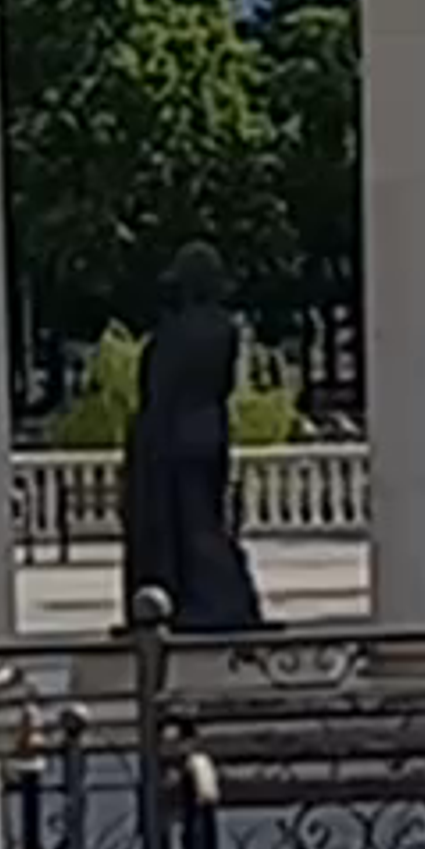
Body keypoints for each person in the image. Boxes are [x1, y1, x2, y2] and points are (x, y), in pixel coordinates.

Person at [120, 247, 263, 633]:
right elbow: (224, 386)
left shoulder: (173, 333)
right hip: (209, 433)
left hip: (169, 437)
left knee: (178, 525)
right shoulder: (225, 329)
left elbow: (157, 388)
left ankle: (197, 598)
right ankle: (221, 596)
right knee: (205, 520)